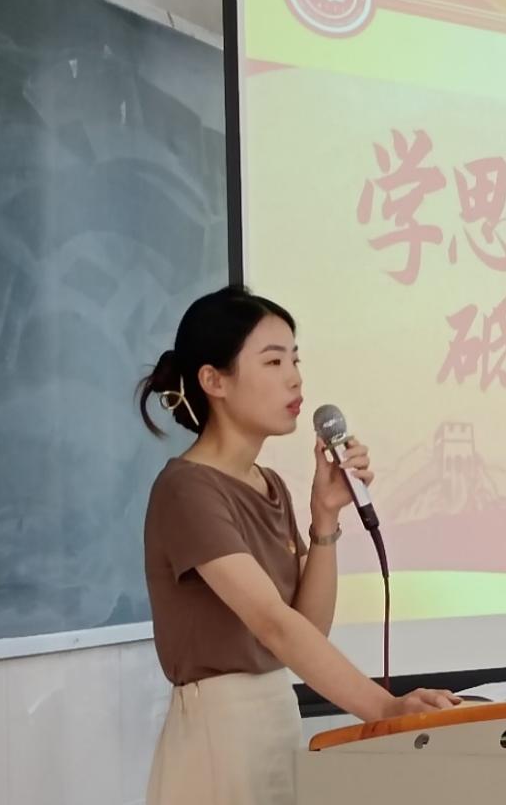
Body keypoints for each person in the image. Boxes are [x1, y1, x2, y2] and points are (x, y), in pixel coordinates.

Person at [136, 285, 458, 805]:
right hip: (218, 736)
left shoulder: (269, 485)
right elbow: (271, 622)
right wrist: (382, 708)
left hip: (275, 720)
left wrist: (324, 518)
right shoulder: (187, 489)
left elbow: (309, 627)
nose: (294, 378)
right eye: (272, 361)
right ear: (214, 380)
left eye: (295, 359)